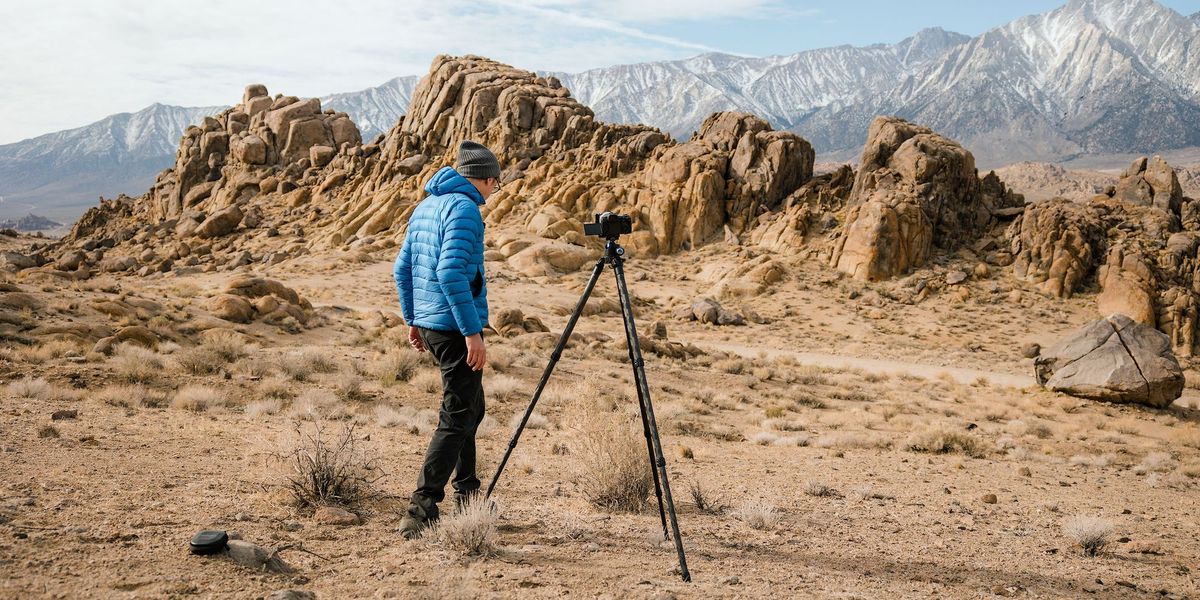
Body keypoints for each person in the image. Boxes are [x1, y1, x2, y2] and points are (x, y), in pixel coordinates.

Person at [393, 140, 501, 539]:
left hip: (433, 324)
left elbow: (401, 268)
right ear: (487, 179)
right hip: (455, 328)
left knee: (471, 407)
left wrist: (414, 319)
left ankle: (468, 495)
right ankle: (421, 508)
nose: (493, 194)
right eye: (496, 185)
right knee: (457, 414)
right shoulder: (466, 209)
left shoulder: (426, 206)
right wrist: (473, 334)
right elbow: (451, 273)